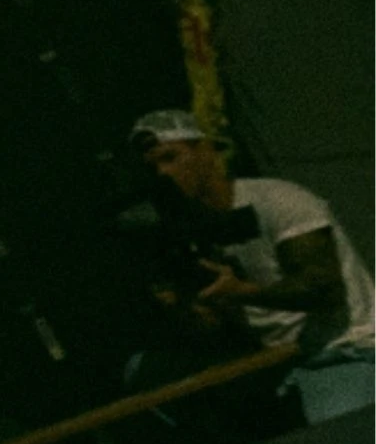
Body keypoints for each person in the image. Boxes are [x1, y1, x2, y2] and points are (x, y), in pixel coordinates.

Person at [125, 108, 374, 383]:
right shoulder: (184, 231)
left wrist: (241, 292)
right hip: (281, 364)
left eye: (170, 158)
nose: (163, 173)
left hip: (347, 350)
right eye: (152, 167)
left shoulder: (276, 199)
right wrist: (190, 309)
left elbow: (323, 289)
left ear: (206, 150)